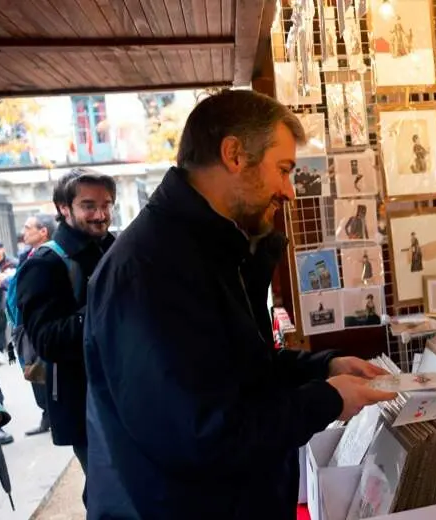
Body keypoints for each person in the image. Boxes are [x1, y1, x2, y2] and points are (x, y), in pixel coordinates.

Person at [83, 90, 396, 519]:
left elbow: (236, 368)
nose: (288, 191)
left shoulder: (208, 248)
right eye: (283, 170)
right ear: (234, 154)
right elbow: (202, 432)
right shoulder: (149, 269)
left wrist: (323, 366)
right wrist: (324, 400)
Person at [16, 169, 117, 489]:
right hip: (85, 403)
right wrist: (108, 312)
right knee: (110, 495)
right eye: (89, 205)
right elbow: (47, 339)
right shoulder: (44, 264)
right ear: (63, 208)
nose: (101, 215)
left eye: (107, 204)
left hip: (125, 392)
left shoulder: (113, 248)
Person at [17, 214, 57, 437]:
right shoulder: (26, 255)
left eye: (28, 227)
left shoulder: (50, 255)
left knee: (44, 372)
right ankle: (46, 415)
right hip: (25, 326)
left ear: (43, 231)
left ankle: (52, 416)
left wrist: (6, 281)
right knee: (33, 372)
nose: (24, 232)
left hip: (40, 326)